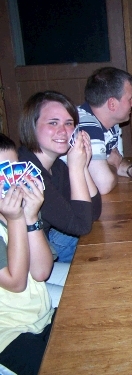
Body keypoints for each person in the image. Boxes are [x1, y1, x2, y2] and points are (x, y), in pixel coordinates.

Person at [18, 91, 102, 264]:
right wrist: (76, 169)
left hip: (41, 252)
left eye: (69, 123)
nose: (63, 131)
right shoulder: (27, 173)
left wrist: (83, 166)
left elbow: (93, 212)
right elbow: (81, 226)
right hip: (22, 267)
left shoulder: (56, 166)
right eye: (53, 122)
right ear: (32, 126)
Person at [0, 133, 55, 375]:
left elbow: (42, 272)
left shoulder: (21, 209)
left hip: (39, 315)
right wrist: (15, 220)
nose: (11, 181)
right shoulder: (13, 216)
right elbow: (16, 282)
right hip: (8, 333)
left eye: (13, 170)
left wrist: (31, 218)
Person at [78, 67, 132, 195]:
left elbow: (117, 160)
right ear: (112, 104)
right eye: (130, 98)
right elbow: (103, 185)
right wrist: (113, 164)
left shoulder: (110, 124)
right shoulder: (88, 126)